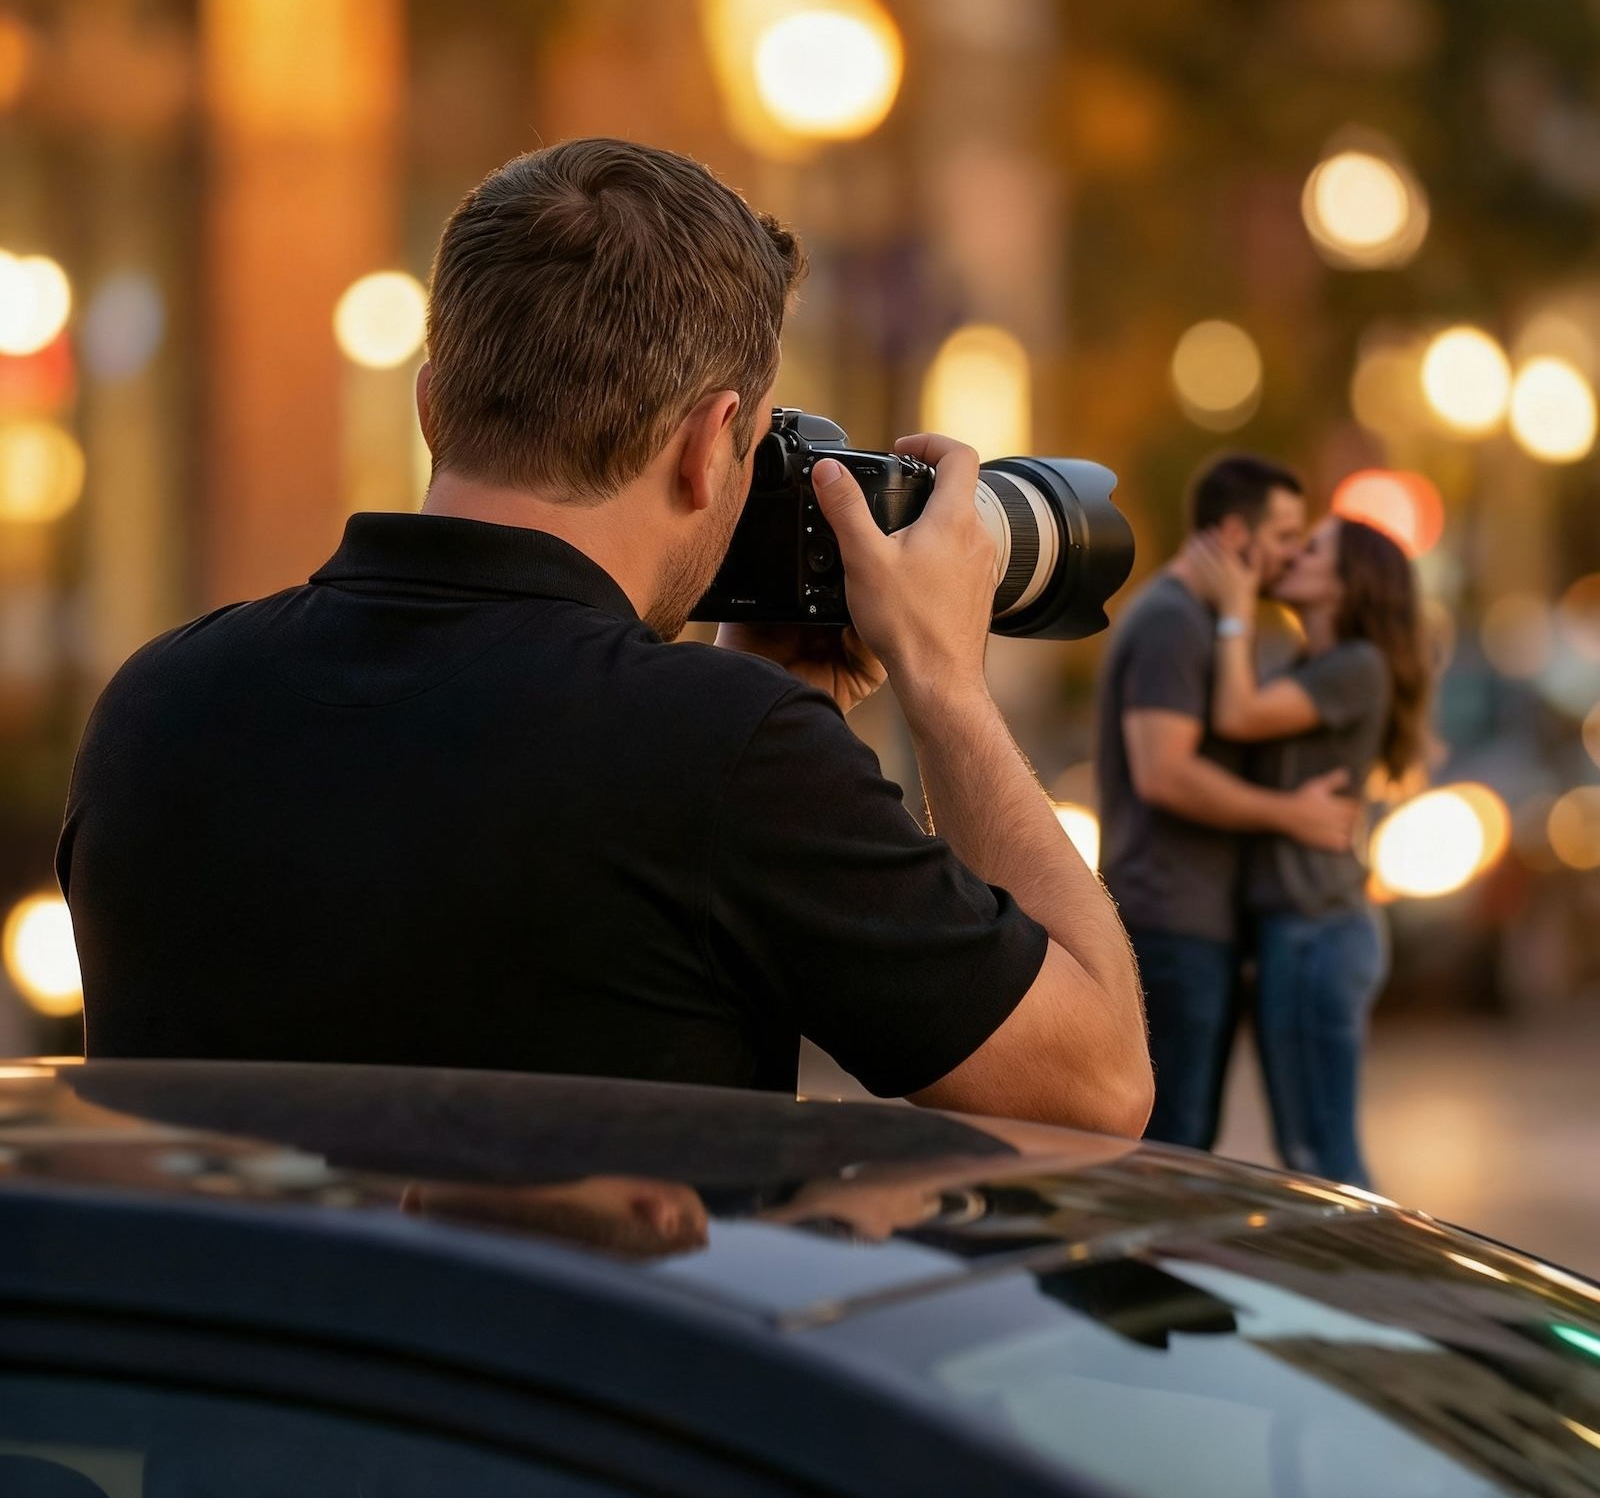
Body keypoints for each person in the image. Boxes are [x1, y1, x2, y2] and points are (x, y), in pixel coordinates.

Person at [57, 137, 1152, 1137]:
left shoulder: (161, 704)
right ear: (709, 441)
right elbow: (1094, 1086)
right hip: (568, 1359)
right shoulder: (726, 761)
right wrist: (942, 679)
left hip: (203, 1354)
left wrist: (757, 709)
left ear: (433, 405)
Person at [1094, 456, 1357, 1151]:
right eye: (1286, 535)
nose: (1296, 553)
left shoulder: (1210, 622)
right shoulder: (1173, 621)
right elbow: (1165, 774)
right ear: (1236, 534)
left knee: (1185, 1146)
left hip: (1198, 923)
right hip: (1169, 922)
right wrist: (1290, 813)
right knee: (1169, 1154)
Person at [1186, 514, 1430, 1187]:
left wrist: (1235, 610)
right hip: (1296, 930)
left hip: (1319, 930)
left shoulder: (1357, 666)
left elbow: (1237, 715)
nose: (1292, 555)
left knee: (1325, 1161)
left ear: (1348, 583)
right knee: (1306, 1157)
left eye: (1311, 548)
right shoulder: (1313, 666)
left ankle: (1378, 1290)